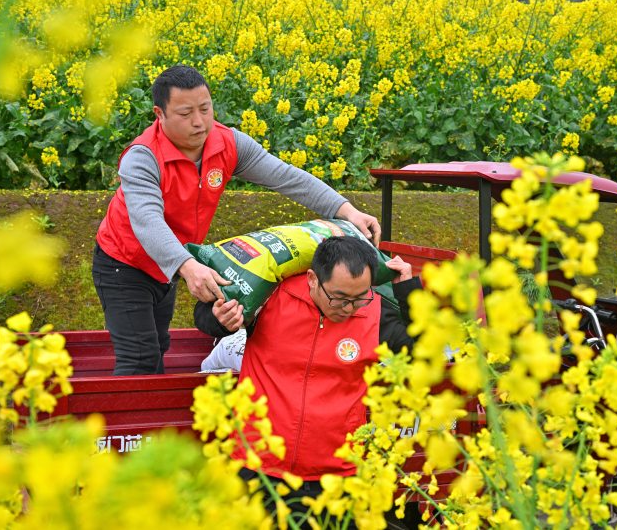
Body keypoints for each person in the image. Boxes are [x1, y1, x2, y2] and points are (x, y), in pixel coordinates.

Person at [92, 65, 380, 375]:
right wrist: (188, 267)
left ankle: (149, 420)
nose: (200, 122)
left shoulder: (227, 143)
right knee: (140, 357)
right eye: (186, 113)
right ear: (159, 114)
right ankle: (131, 424)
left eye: (205, 108)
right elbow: (147, 221)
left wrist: (346, 210)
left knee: (158, 346)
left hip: (169, 264)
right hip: (124, 263)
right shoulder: (143, 157)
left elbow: (286, 177)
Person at [194, 236, 421, 521]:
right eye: (339, 297)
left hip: (337, 478)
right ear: (313, 279)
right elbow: (204, 315)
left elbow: (422, 351)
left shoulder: (374, 310)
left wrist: (408, 291)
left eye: (358, 297)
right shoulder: (270, 296)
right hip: (259, 469)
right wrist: (220, 320)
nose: (349, 308)